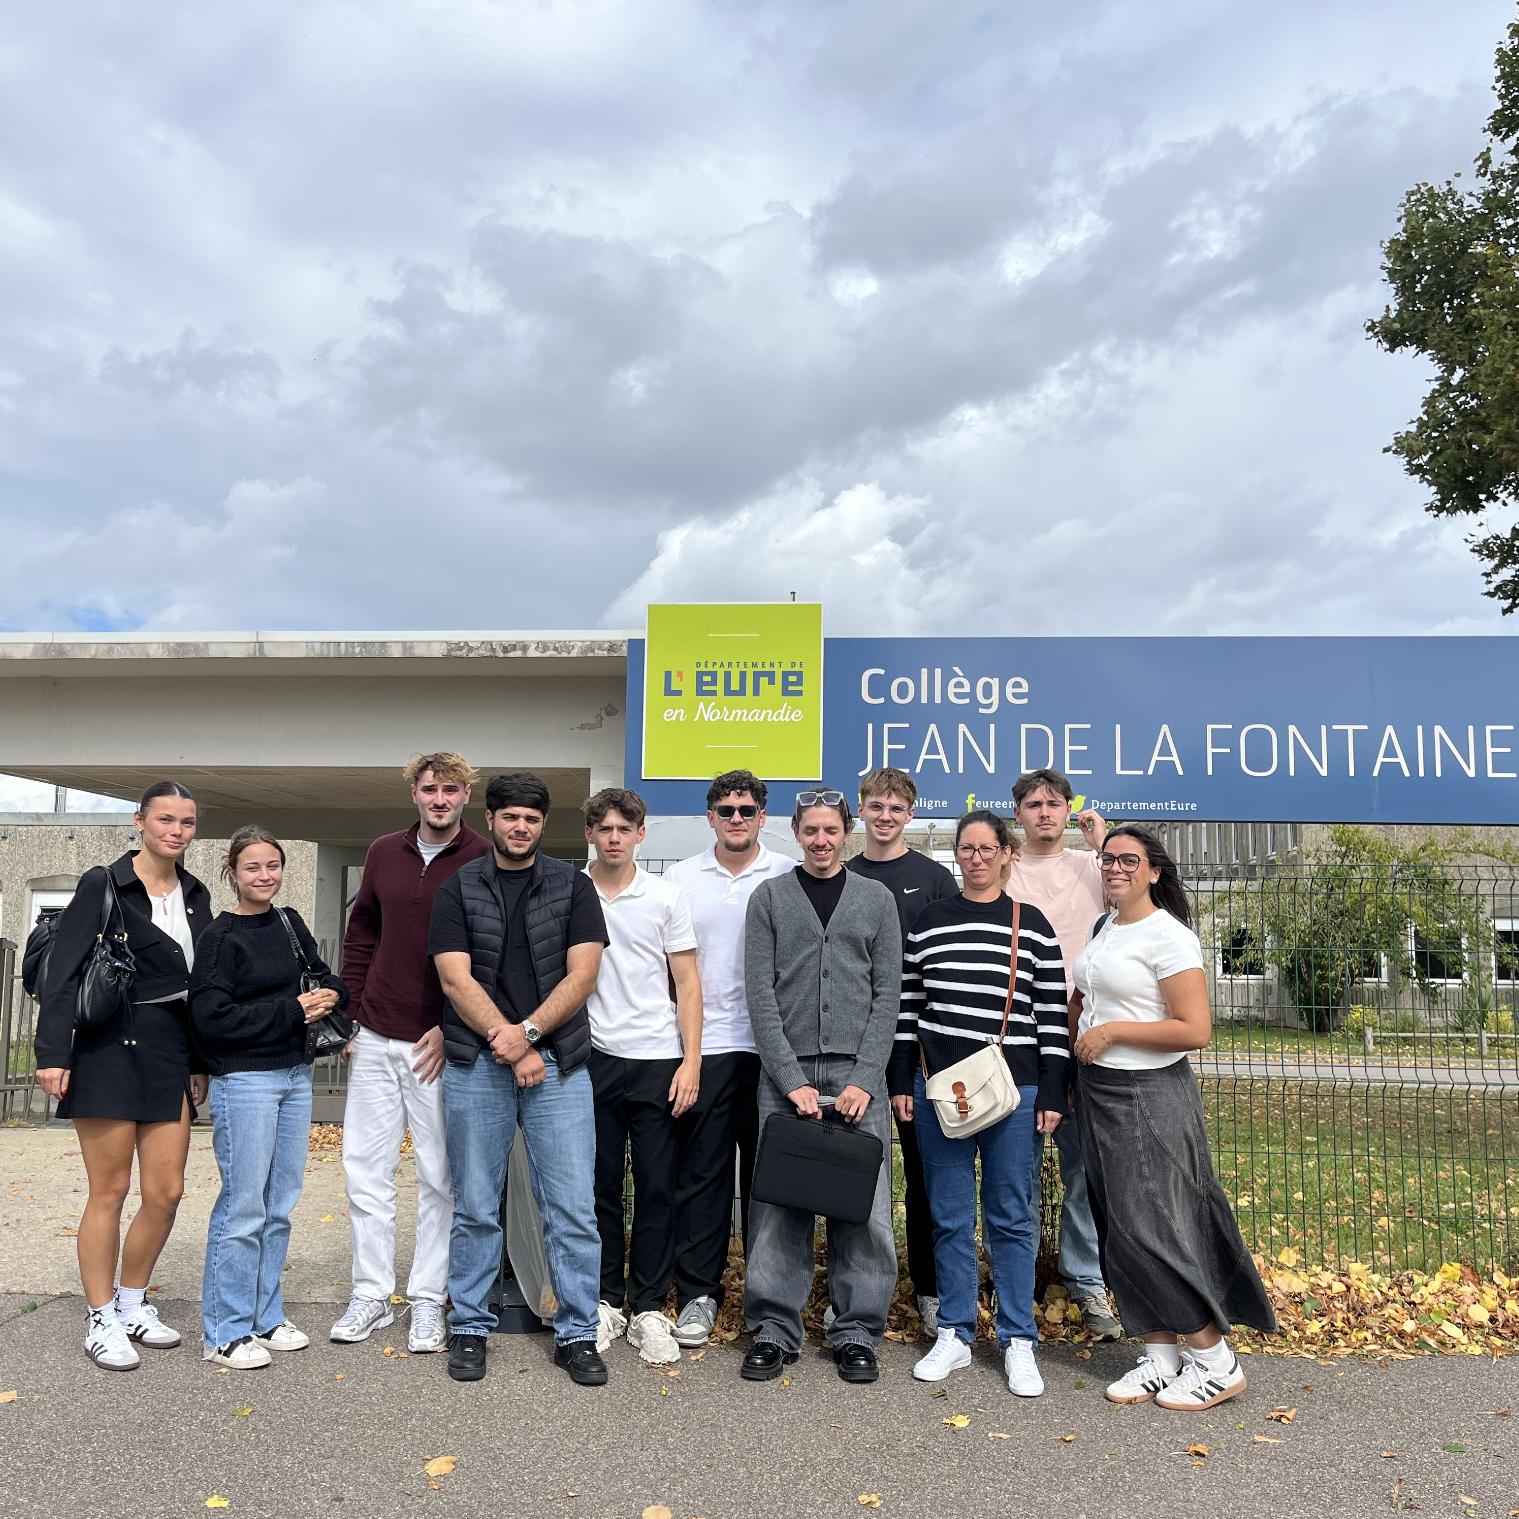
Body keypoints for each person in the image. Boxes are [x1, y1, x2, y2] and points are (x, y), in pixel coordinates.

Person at [1071, 824, 1276, 1409]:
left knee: (1154, 1223)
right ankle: (1160, 1356)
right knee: (1118, 1225)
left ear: (1155, 871)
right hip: (1100, 1089)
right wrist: (1080, 1033)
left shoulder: (1169, 936)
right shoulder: (1105, 924)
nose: (1115, 868)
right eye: (1108, 859)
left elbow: (1195, 1029)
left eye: (1129, 860)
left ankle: (1215, 1359)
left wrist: (1111, 1032)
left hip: (1148, 1094)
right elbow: (1090, 996)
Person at [428, 771, 610, 1386]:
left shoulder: (572, 886)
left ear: (542, 825)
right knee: (476, 1204)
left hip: (558, 1063)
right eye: (510, 816)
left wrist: (526, 1035)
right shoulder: (459, 888)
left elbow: (582, 976)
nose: (520, 827)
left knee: (573, 1208)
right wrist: (506, 1042)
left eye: (532, 819)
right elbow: (455, 978)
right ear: (492, 818)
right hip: (477, 1065)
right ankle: (471, 1327)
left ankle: (578, 1332)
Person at [891, 809, 1069, 1397]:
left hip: (1015, 1091)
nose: (976, 857)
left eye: (987, 848)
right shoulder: (928, 923)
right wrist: (900, 1081)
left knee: (1011, 1216)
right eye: (966, 848)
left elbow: (1050, 1018)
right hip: (939, 1089)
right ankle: (957, 1332)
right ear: (956, 855)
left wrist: (1054, 1090)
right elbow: (907, 1012)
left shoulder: (1032, 924)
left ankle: (1019, 1338)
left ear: (1005, 854)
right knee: (947, 1215)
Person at [33, 781, 211, 1371]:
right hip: (109, 1048)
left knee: (167, 1192)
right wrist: (52, 1053)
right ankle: (100, 1315)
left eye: (186, 822)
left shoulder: (195, 893)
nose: (176, 831)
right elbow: (62, 974)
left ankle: (134, 1302)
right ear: (140, 822)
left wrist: (197, 1062)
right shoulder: (103, 884)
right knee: (108, 1191)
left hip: (168, 1052)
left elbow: (200, 988)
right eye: (165, 819)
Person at [330, 752, 490, 1353]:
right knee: (365, 1172)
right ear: (415, 796)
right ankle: (370, 1295)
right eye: (430, 789)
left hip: (438, 1044)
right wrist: (351, 1018)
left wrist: (455, 1027)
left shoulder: (482, 857)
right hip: (375, 1033)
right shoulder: (381, 853)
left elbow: (489, 956)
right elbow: (362, 933)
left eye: (451, 789)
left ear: (466, 794)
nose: (440, 798)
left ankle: (428, 1301)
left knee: (438, 1177)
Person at [741, 789, 901, 1385]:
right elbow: (760, 994)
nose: (821, 840)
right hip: (788, 1075)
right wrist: (789, 1081)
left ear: (847, 831)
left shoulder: (876, 900)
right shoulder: (771, 899)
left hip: (858, 1075)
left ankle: (857, 1329)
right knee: (780, 1205)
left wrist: (865, 1078)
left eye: (831, 829)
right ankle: (775, 1329)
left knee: (865, 1208)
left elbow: (889, 994)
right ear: (797, 832)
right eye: (810, 830)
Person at [191, 826, 348, 1370]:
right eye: (253, 867)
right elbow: (210, 1020)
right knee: (244, 1207)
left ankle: (265, 1315)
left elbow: (324, 976)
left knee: (279, 1206)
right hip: (247, 1082)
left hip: (294, 1076)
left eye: (273, 866)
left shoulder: (289, 922)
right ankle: (224, 1332)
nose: (265, 876)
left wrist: (333, 993)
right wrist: (291, 1011)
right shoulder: (219, 937)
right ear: (232, 872)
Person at [662, 770, 794, 1349]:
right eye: (725, 809)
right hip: (707, 1047)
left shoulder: (789, 872)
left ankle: (768, 1306)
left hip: (774, 1053)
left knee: (771, 1184)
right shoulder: (682, 878)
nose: (736, 818)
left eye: (746, 809)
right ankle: (699, 1295)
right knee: (703, 1178)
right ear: (709, 816)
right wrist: (684, 1050)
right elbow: (668, 967)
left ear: (763, 816)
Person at [582, 787, 703, 1365]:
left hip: (657, 1058)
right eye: (603, 828)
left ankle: (650, 1307)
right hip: (592, 1058)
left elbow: (688, 984)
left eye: (623, 829)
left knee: (656, 1188)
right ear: (590, 834)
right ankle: (607, 1300)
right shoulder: (570, 892)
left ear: (639, 835)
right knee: (600, 1187)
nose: (613, 837)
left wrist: (691, 1060)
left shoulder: (665, 896)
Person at [1005, 766, 1121, 1341]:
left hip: (1086, 1030)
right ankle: (1016, 1277)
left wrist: (1100, 842)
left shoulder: (1092, 865)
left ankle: (1086, 1280)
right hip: (1023, 1036)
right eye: (1033, 804)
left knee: (1083, 1169)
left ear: (1068, 809)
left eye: (1054, 803)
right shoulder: (1004, 868)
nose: (1044, 812)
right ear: (1019, 813)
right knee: (1018, 1168)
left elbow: (1150, 890)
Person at [844, 767, 956, 1334]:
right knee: (853, 1170)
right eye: (875, 806)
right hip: (850, 1043)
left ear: (910, 814)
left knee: (924, 1171)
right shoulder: (839, 873)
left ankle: (932, 1290)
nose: (884, 816)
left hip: (915, 1044)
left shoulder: (933, 878)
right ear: (860, 810)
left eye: (895, 808)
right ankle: (856, 1291)